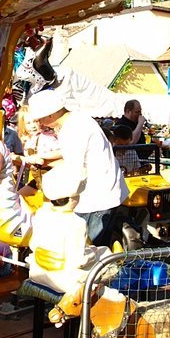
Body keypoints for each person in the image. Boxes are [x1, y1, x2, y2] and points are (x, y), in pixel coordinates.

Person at [28, 88, 129, 247]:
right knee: (99, 249)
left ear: (50, 115)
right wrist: (45, 159)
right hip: (105, 194)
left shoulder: (72, 129)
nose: (39, 124)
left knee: (86, 249)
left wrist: (46, 168)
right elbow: (73, 154)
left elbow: (74, 167)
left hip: (96, 199)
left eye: (40, 119)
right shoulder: (78, 120)